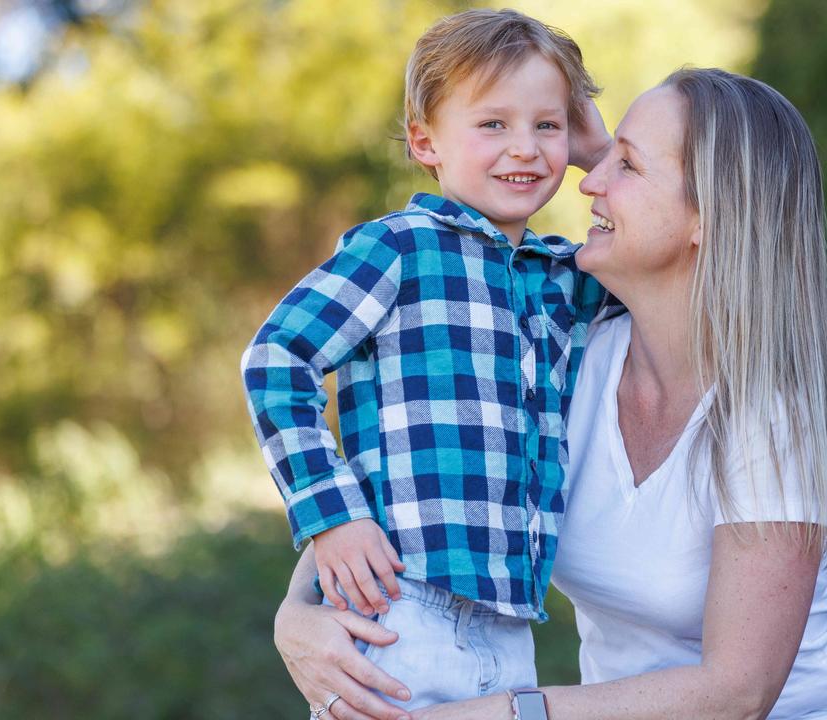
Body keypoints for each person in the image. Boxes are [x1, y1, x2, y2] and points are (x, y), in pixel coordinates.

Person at [274, 67, 827, 720]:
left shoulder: (772, 410)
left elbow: (737, 693)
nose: (589, 180)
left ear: (709, 217)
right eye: (598, 155)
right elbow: (419, 485)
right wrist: (299, 611)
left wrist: (502, 713)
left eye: (625, 165)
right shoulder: (566, 350)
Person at [241, 9, 615, 718]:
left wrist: (603, 155)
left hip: (509, 628)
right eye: (493, 124)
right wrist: (332, 515)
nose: (525, 148)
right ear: (424, 141)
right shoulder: (400, 248)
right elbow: (276, 357)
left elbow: (697, 248)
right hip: (396, 609)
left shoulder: (569, 275)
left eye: (547, 125)